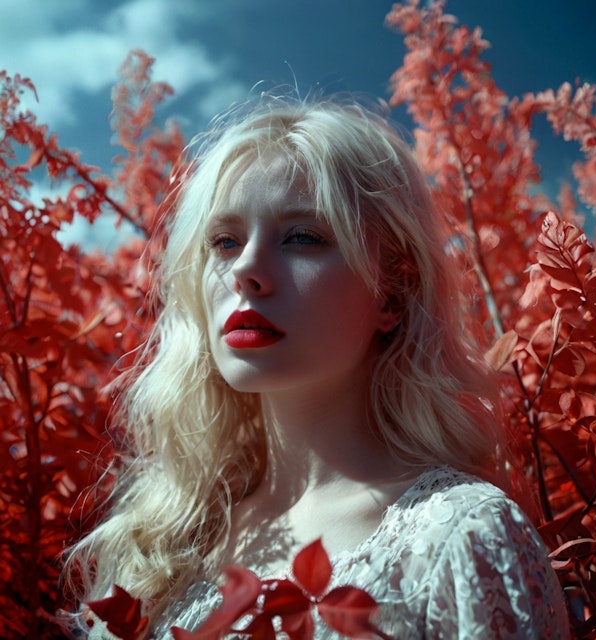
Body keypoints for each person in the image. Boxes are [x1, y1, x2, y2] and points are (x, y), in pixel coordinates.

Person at [62, 94, 570, 639]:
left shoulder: (463, 537)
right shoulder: (163, 544)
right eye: (225, 242)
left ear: (392, 294)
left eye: (303, 237)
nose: (246, 271)